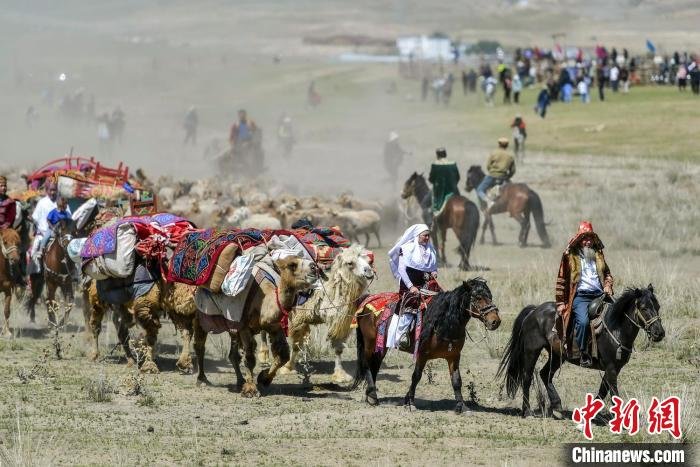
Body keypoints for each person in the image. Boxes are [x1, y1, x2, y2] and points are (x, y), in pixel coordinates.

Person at [555, 221, 614, 367]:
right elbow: (561, 280)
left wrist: (607, 285)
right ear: (579, 240)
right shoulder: (570, 256)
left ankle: (615, 349)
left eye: (590, 238)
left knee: (617, 315)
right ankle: (583, 353)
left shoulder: (598, 255)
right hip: (580, 297)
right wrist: (561, 302)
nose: (587, 242)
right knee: (583, 322)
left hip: (600, 295)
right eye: (584, 238)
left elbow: (607, 274)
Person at [386, 224, 438, 349]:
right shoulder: (406, 248)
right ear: (417, 236)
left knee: (440, 299)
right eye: (424, 236)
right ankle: (402, 335)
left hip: (426, 284)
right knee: (411, 303)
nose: (427, 238)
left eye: (428, 236)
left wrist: (434, 271)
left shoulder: (431, 250)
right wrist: (410, 287)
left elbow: (433, 266)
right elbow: (401, 270)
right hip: (409, 285)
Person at [30, 182, 70, 263]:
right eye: (50, 190)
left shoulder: (62, 201)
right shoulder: (42, 202)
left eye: (54, 190)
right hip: (45, 232)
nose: (52, 192)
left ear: (57, 190)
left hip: (61, 234)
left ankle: (75, 270)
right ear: (46, 190)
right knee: (34, 250)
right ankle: (34, 268)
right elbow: (36, 218)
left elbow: (69, 217)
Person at [476, 138, 516, 210]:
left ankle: (488, 201)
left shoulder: (494, 153)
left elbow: (488, 165)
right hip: (503, 177)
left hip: (492, 176)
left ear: (499, 144)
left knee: (479, 189)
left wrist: (491, 171)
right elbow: (513, 170)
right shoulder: (510, 156)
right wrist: (508, 176)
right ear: (507, 145)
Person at [428, 148, 460, 214]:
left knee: (435, 210)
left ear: (437, 155)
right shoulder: (453, 164)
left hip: (440, 194)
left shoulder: (435, 165)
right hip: (454, 192)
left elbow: (431, 179)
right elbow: (457, 177)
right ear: (445, 154)